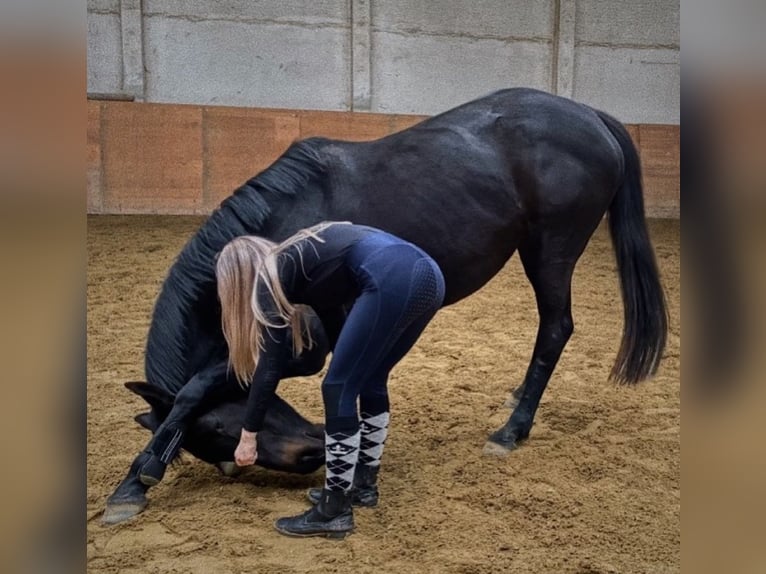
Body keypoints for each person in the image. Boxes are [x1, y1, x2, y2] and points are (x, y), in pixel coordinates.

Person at [215, 221, 445, 538]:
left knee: (338, 388)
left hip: (395, 274)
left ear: (236, 280)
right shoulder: (308, 263)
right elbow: (341, 331)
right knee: (370, 378)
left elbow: (270, 365)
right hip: (428, 273)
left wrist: (249, 434)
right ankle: (363, 485)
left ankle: (333, 509)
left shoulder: (268, 276)